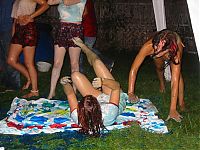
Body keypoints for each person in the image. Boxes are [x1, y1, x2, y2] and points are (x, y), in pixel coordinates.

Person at [60, 37, 127, 136]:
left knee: (75, 75)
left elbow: (70, 94)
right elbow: (116, 87)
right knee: (97, 63)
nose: (89, 95)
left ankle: (84, 47)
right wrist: (103, 81)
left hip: (100, 100)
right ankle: (84, 47)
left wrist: (64, 83)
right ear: (97, 107)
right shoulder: (109, 113)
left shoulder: (77, 116)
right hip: (113, 97)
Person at [128, 29, 185, 122]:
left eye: (160, 50)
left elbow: (174, 81)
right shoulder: (149, 46)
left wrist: (172, 109)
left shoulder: (175, 52)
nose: (156, 51)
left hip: (175, 44)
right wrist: (130, 93)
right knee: (159, 67)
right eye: (156, 47)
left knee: (177, 76)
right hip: (162, 43)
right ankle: (162, 84)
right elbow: (134, 69)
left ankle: (181, 103)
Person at [7, 0, 49, 98]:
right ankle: (29, 78)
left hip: (28, 29)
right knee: (11, 60)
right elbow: (15, 20)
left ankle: (35, 91)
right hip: (18, 29)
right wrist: (13, 36)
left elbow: (45, 5)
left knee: (29, 62)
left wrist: (30, 16)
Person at [47, 0, 87, 99]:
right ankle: (51, 92)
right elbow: (49, 2)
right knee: (57, 63)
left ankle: (74, 90)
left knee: (74, 64)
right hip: (62, 29)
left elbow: (67, 2)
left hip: (75, 29)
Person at [80, 0, 114, 73]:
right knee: (82, 49)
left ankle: (107, 62)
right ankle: (80, 70)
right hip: (88, 29)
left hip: (88, 29)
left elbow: (84, 13)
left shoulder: (83, 1)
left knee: (85, 49)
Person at [0, 0, 20, 92]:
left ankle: (14, 84)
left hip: (8, 28)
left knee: (10, 57)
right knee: (2, 58)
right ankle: (5, 81)